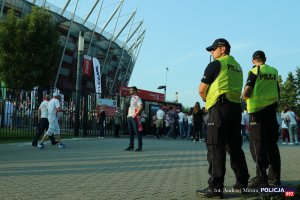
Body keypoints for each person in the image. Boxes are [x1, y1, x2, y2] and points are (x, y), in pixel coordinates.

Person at [197, 38, 250, 198]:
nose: (211, 52)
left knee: (215, 147)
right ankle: (242, 183)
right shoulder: (238, 66)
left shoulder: (216, 64)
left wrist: (206, 100)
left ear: (223, 49)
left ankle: (216, 188)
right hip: (235, 109)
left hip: (218, 109)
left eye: (213, 49)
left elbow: (201, 89)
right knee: (235, 147)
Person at [242, 50, 281, 187]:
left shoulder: (254, 71)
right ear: (265, 58)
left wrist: (243, 97)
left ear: (253, 60)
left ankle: (261, 177)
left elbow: (247, 90)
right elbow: (278, 89)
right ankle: (275, 177)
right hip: (271, 110)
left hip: (257, 112)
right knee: (272, 145)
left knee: (257, 145)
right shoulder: (274, 71)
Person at [124, 86, 143, 152]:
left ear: (135, 91)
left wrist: (136, 114)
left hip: (134, 117)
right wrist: (128, 115)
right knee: (130, 132)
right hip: (129, 116)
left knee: (137, 131)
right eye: (130, 90)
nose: (130, 91)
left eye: (131, 90)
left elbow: (141, 107)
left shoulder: (137, 98)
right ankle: (131, 146)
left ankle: (140, 146)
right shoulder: (130, 98)